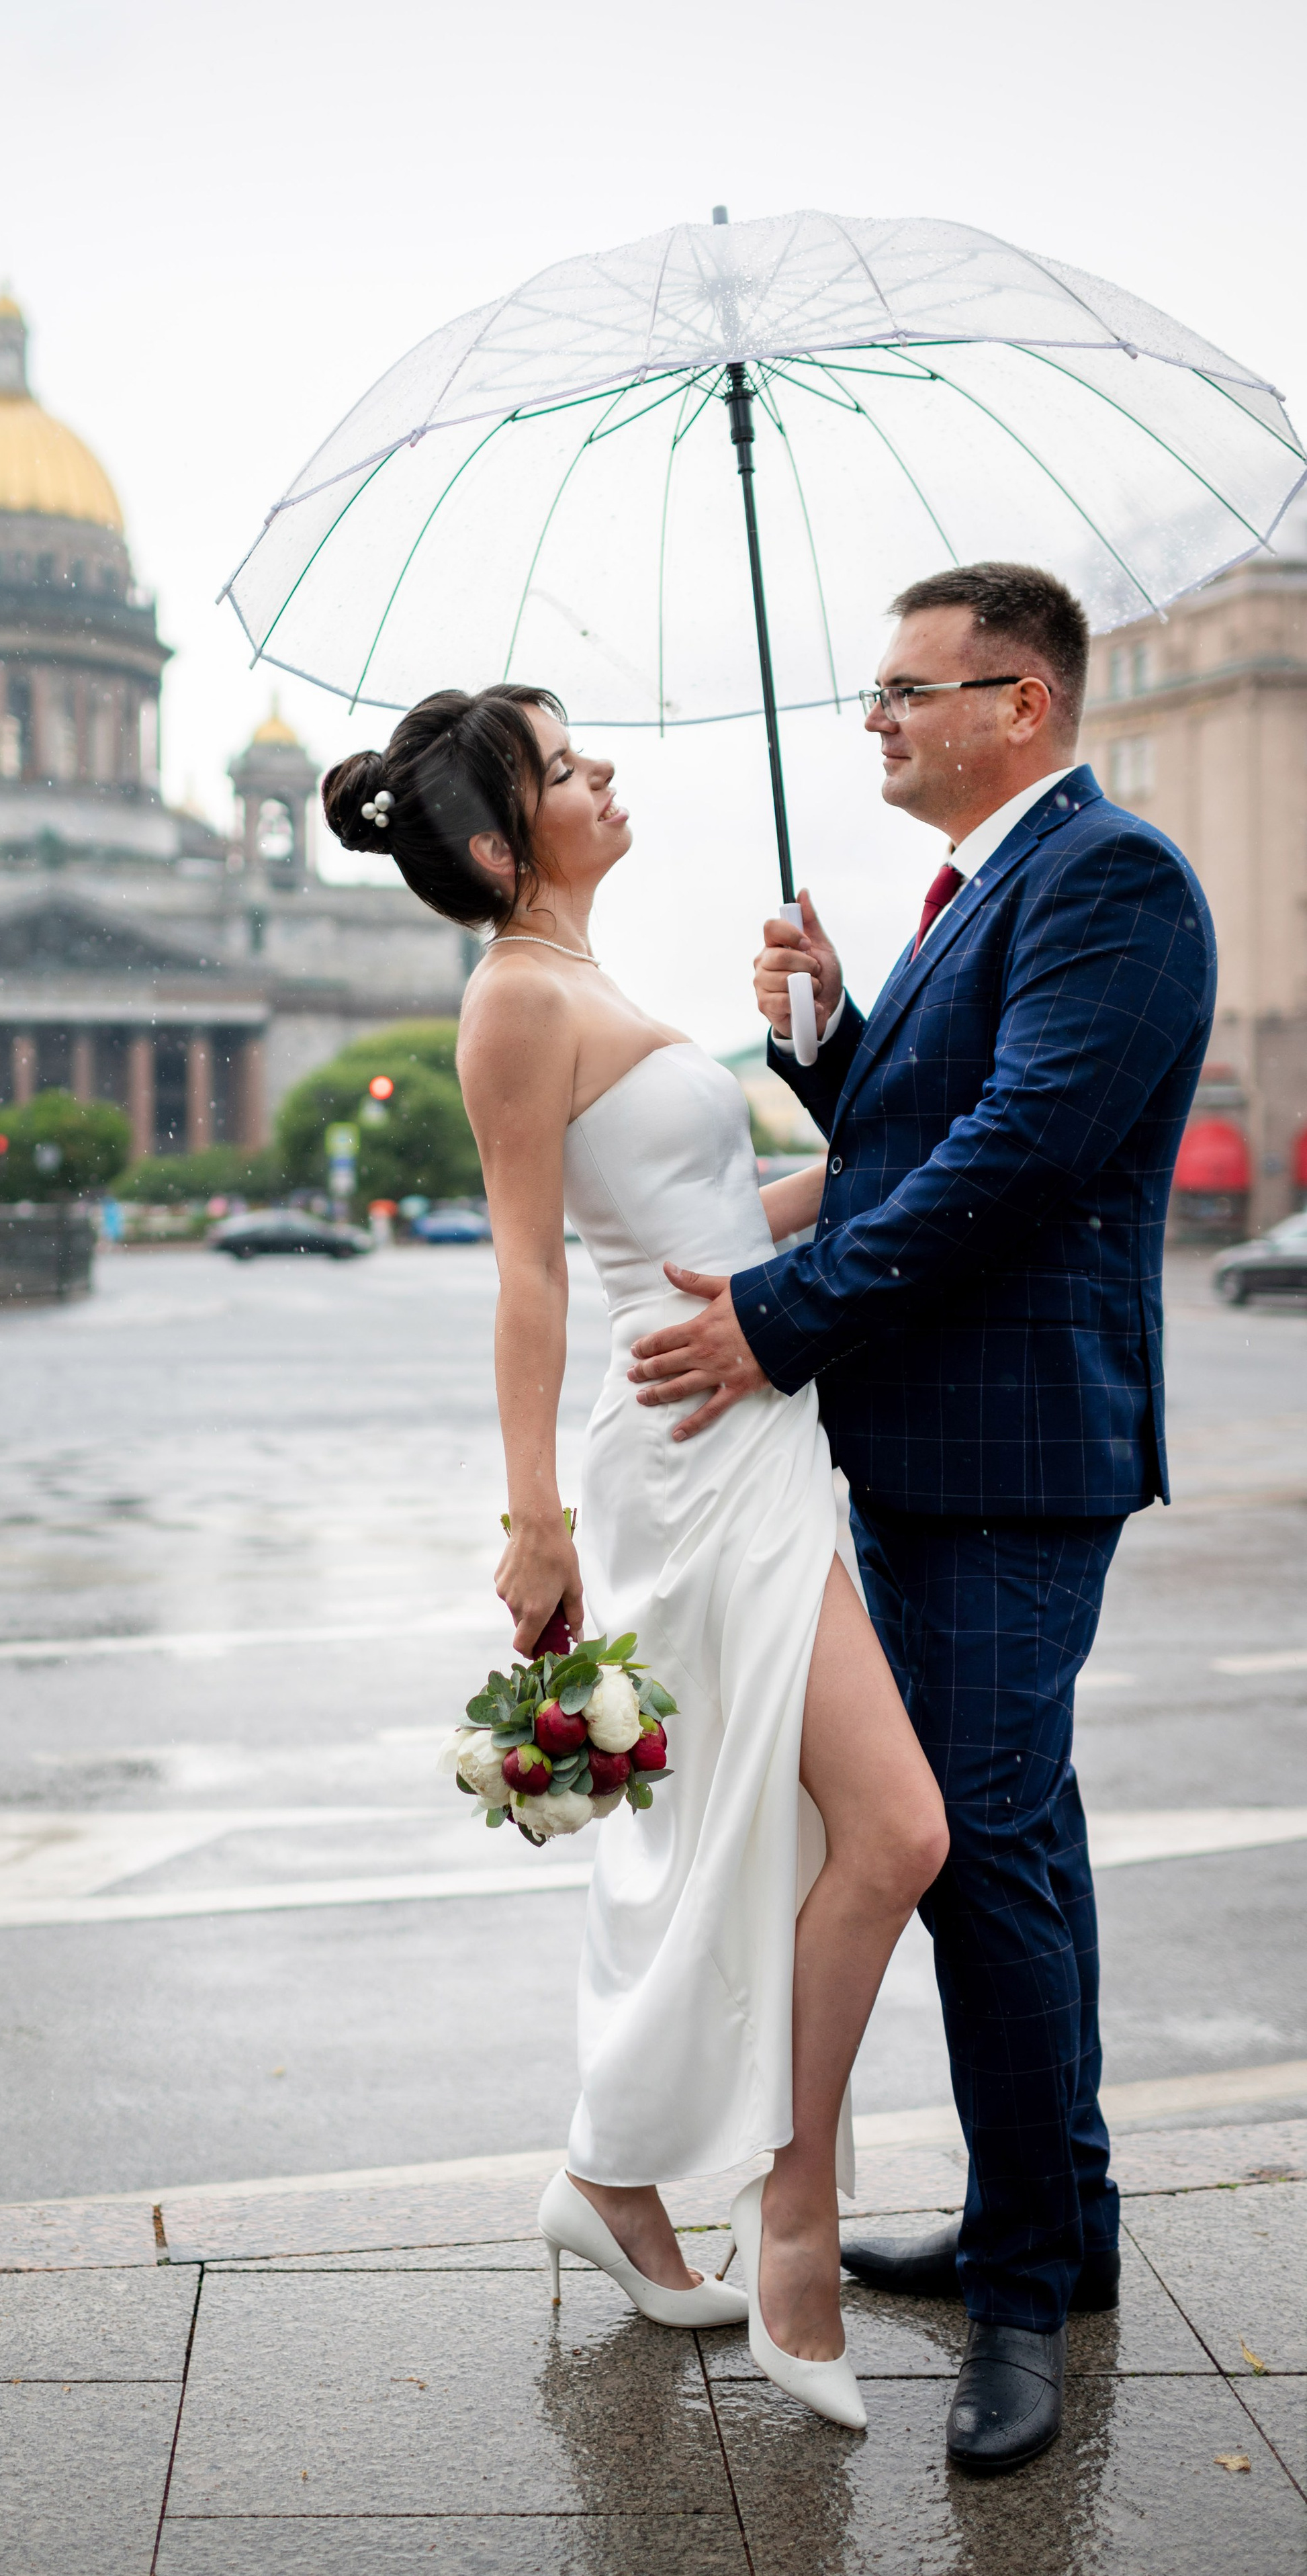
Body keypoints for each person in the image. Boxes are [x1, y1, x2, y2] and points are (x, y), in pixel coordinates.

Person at [625, 563, 1216, 2473]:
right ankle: (1063, 2224)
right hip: (947, 1441)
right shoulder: (993, 887)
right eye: (874, 689)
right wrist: (831, 1038)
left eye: (907, 688)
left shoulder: (1112, 880)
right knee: (1014, 1834)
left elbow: (1026, 1153)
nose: (873, 718)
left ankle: (1025, 2292)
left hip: (1014, 1447)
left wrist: (772, 1324)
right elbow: (922, 1123)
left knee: (977, 1849)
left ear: (1020, 703)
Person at [322, 689, 948, 2432]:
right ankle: (768, 2213)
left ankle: (626, 2170)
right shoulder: (518, 997)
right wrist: (535, 1523)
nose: (608, 773)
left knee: (805, 1835)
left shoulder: (597, 984)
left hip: (757, 1427)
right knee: (871, 1832)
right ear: (503, 840)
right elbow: (530, 1274)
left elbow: (719, 1228)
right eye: (569, 763)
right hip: (679, 1458)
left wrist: (839, 1098)